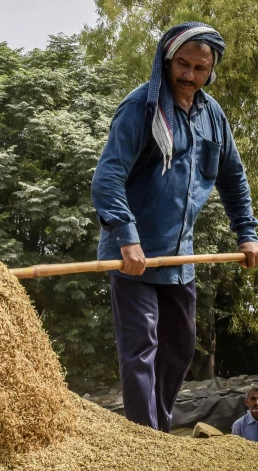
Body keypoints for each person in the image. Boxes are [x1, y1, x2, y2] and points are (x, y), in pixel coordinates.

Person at [91, 22, 258, 432]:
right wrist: (126, 239)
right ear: (168, 61)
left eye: (200, 68)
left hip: (180, 256)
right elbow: (107, 178)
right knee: (141, 346)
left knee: (180, 349)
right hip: (132, 256)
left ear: (210, 70)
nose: (189, 75)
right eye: (182, 64)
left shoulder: (213, 116)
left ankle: (158, 430)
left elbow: (233, 179)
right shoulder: (140, 108)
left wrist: (248, 233)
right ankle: (144, 438)